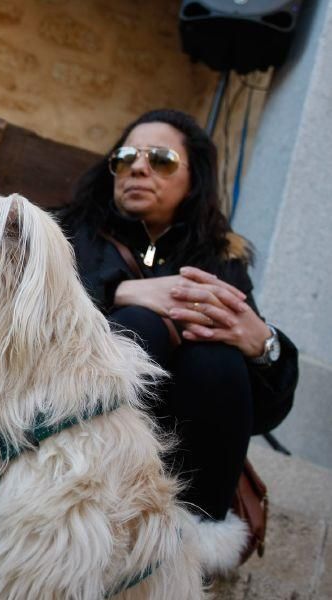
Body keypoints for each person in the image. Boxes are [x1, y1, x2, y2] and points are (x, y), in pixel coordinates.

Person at [60, 109, 298, 529]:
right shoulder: (64, 234)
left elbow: (259, 416)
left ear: (193, 179)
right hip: (69, 427)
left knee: (216, 357)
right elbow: (18, 316)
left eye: (161, 160)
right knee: (142, 324)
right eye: (125, 157)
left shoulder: (223, 263)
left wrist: (264, 346)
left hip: (177, 463)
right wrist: (116, 292)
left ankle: (191, 537)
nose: (137, 166)